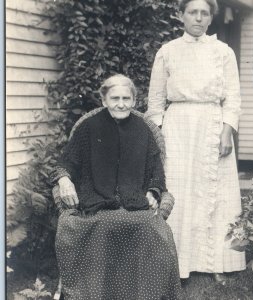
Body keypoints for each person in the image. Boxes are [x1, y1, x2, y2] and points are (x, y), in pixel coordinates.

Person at [50, 74, 182, 299]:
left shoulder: (143, 129)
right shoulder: (88, 128)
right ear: (104, 101)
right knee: (96, 225)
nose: (121, 104)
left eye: (126, 98)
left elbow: (156, 171)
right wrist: (64, 180)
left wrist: (153, 191)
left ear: (133, 101)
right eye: (115, 98)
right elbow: (66, 163)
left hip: (134, 202)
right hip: (95, 202)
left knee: (153, 229)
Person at [146, 0, 246, 283]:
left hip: (213, 125)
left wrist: (227, 131)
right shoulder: (167, 52)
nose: (199, 18)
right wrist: (160, 136)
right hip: (178, 126)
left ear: (210, 18)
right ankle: (177, 263)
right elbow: (155, 101)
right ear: (181, 15)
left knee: (215, 192)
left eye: (204, 13)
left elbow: (234, 98)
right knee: (179, 190)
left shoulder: (223, 52)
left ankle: (216, 262)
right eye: (193, 12)